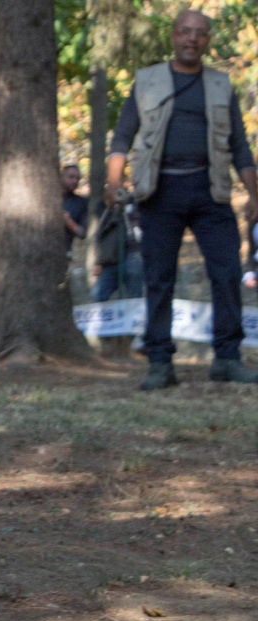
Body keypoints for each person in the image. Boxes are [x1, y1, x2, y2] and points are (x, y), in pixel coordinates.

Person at [106, 9, 258, 390]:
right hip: (159, 192)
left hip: (211, 191)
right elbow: (123, 136)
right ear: (173, 36)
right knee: (159, 277)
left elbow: (240, 146)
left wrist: (255, 193)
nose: (192, 39)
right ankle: (159, 362)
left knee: (225, 274)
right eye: (186, 32)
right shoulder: (147, 80)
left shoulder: (222, 84)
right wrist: (112, 180)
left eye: (200, 34)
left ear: (208, 41)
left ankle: (227, 358)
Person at [91, 196, 144, 302]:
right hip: (110, 258)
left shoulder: (134, 202)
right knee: (98, 294)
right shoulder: (103, 207)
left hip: (133, 253)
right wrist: (98, 261)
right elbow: (99, 235)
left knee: (134, 296)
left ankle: (132, 317)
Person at [61, 164, 88, 261]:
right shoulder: (49, 197)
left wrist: (69, 222)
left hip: (67, 253)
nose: (75, 181)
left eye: (77, 178)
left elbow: (83, 233)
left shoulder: (82, 203)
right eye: (71, 177)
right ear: (61, 177)